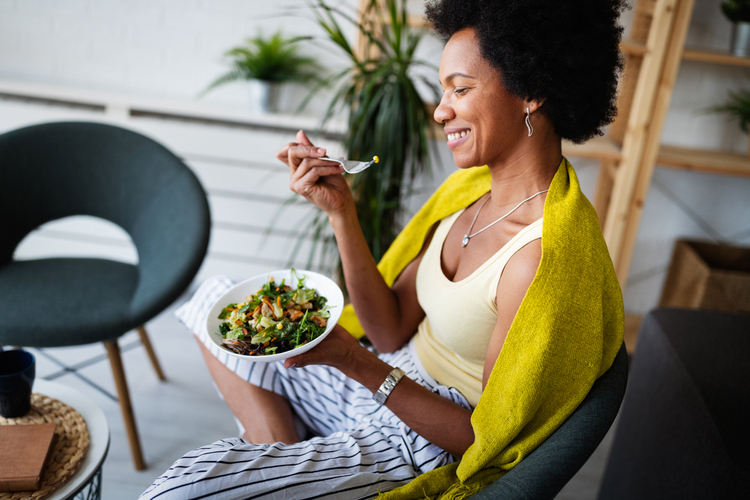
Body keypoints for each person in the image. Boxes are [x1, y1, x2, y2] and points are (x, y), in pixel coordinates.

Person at [141, 0, 626, 498]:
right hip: (381, 378)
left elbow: (483, 441)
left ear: (532, 91)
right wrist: (340, 212)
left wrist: (356, 362)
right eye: (444, 91)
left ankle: (279, 468)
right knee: (213, 301)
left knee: (180, 489)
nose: (441, 111)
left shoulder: (539, 260)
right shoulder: (470, 195)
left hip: (419, 436)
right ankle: (279, 453)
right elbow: (390, 328)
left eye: (460, 89)